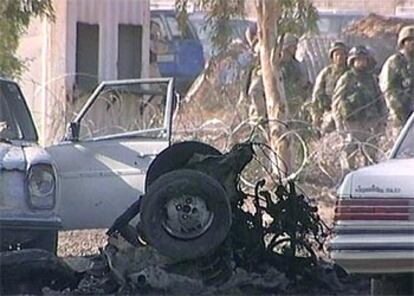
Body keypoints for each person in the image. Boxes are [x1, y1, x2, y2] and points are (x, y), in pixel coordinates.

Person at [332, 45, 387, 170]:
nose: (361, 62)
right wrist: (339, 126)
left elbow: (380, 100)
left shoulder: (371, 79)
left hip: (369, 123)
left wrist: (382, 121)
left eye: (364, 59)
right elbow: (336, 103)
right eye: (358, 59)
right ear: (352, 61)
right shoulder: (346, 78)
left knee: (371, 153)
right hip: (352, 123)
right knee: (350, 152)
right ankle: (348, 176)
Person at [379, 25, 414, 134]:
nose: (413, 42)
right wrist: (400, 107)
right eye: (409, 40)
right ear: (403, 43)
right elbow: (388, 89)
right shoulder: (394, 62)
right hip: (400, 116)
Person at [311, 41, 348, 132]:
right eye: (337, 54)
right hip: (328, 112)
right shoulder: (326, 73)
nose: (339, 57)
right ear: (332, 57)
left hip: (347, 113)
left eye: (342, 54)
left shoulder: (350, 73)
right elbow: (317, 96)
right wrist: (316, 117)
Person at [279, 33, 311, 120]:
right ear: (287, 47)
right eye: (293, 46)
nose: (296, 49)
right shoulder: (276, 64)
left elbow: (304, 83)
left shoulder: (297, 65)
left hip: (294, 103)